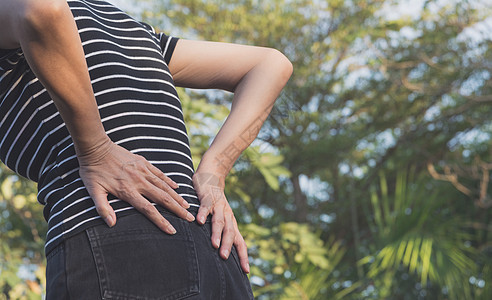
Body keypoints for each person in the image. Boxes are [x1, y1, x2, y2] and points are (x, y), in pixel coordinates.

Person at [0, 0, 292, 298]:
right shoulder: (128, 28)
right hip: (214, 251)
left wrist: (97, 149)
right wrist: (212, 174)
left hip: (115, 237)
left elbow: (40, 9)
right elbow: (269, 65)